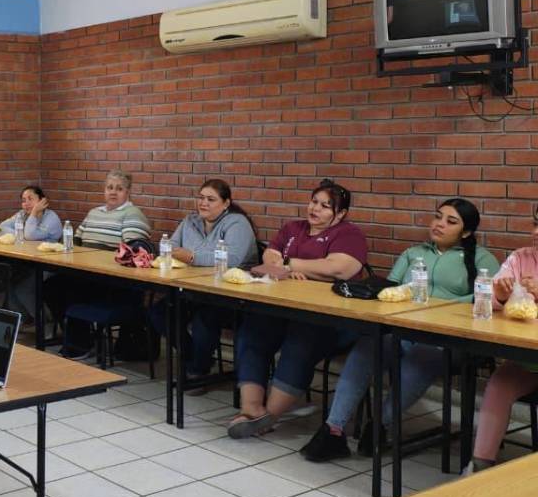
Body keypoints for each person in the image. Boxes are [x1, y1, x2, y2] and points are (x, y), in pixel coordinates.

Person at [301, 199, 499, 461]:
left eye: (450, 222)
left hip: (450, 340)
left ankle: (380, 424)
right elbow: (389, 290)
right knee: (367, 347)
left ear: (466, 232)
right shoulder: (414, 253)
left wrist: (441, 305)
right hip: (405, 331)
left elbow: (489, 299)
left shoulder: (483, 260)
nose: (439, 224)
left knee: (421, 357)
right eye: (438, 217)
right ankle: (333, 429)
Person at [228, 179, 367, 438]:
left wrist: (290, 265)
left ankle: (269, 416)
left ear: (341, 214)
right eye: (314, 202)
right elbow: (269, 256)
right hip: (286, 310)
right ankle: (251, 410)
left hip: (334, 320)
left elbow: (338, 268)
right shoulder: (293, 228)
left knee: (302, 339)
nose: (315, 209)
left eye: (326, 206)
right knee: (253, 329)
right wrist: (298, 268)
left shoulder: (349, 234)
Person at [149, 179, 258, 391]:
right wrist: (180, 252)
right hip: (193, 289)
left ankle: (198, 370)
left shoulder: (237, 223)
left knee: (203, 320)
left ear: (226, 203)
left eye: (211, 199)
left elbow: (232, 259)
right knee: (159, 313)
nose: (203, 203)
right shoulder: (190, 221)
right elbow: (169, 245)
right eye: (201, 198)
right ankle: (196, 357)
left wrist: (190, 256)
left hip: (232, 296)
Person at [44, 170, 152, 360]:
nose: (113, 192)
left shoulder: (132, 213)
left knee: (72, 290)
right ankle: (80, 336)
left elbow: (133, 253)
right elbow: (75, 242)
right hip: (87, 273)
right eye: (109, 187)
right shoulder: (94, 213)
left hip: (114, 281)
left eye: (119, 189)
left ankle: (80, 342)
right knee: (51, 286)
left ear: (128, 192)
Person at [464, 205, 538, 475]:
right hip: (527, 361)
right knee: (498, 385)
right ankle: (480, 467)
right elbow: (487, 304)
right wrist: (501, 294)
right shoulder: (521, 258)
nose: (536, 232)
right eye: (534, 223)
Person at [0, 185, 62, 319]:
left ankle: (45, 322)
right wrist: (20, 233)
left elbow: (30, 235)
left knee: (23, 289)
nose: (26, 203)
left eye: (30, 199)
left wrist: (33, 214)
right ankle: (22, 319)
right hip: (30, 262)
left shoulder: (51, 217)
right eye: (23, 200)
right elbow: (2, 228)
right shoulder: (21, 214)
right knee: (9, 283)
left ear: (42, 201)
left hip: (50, 265)